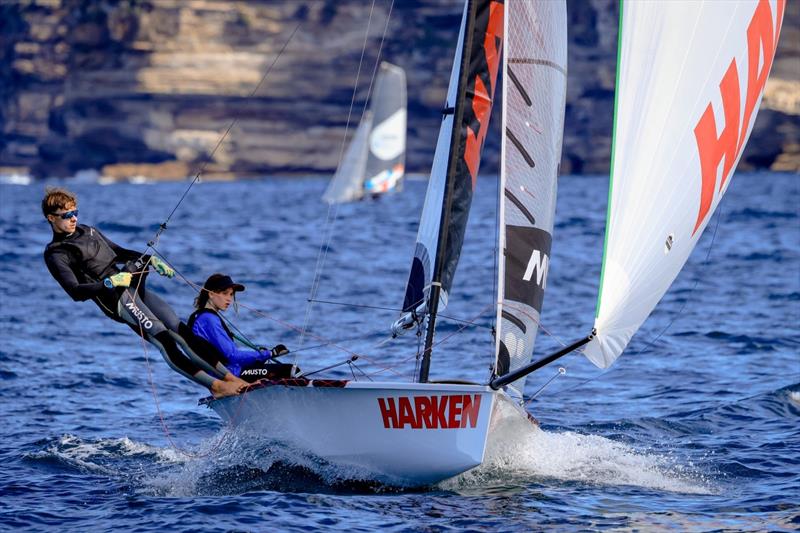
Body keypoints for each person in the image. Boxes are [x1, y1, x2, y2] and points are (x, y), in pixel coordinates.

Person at [41, 186, 247, 398]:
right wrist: (111, 283)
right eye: (66, 215)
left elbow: (119, 253)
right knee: (164, 338)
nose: (73, 218)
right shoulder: (56, 253)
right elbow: (76, 292)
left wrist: (151, 260)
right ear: (51, 218)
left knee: (180, 329)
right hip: (115, 299)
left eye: (75, 212)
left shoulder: (89, 230)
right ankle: (216, 387)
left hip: (131, 285)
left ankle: (230, 378)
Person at [188, 273, 291, 383]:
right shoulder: (209, 319)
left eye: (231, 294)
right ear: (211, 294)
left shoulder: (201, 317)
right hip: (229, 374)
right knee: (290, 370)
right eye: (225, 293)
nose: (229, 299)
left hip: (222, 373)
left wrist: (261, 357)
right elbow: (233, 356)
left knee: (267, 368)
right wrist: (270, 353)